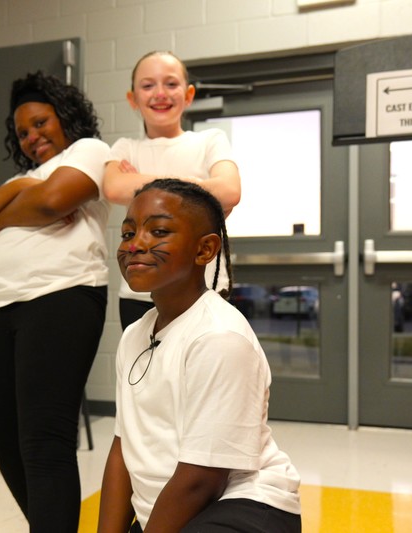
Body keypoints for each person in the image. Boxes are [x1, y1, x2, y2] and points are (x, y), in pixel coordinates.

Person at [98, 179, 301, 533]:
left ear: (205, 250)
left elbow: (202, 480)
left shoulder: (218, 336)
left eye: (158, 231)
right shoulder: (134, 334)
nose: (136, 244)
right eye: (128, 233)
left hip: (241, 507)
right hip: (172, 511)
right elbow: (121, 450)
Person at [0, 70, 110, 532]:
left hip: (62, 299)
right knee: (6, 443)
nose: (32, 137)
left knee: (44, 442)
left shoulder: (91, 152)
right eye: (22, 131)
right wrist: (19, 188)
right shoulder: (23, 179)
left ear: (65, 117)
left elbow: (56, 200)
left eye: (41, 123)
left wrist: (6, 213)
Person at [104, 51, 241, 329]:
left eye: (170, 84)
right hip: (138, 291)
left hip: (203, 286)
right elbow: (114, 187)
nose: (160, 93)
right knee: (142, 370)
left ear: (188, 95)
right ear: (132, 98)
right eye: (147, 85)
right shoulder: (124, 147)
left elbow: (229, 190)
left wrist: (143, 184)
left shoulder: (210, 140)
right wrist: (198, 187)